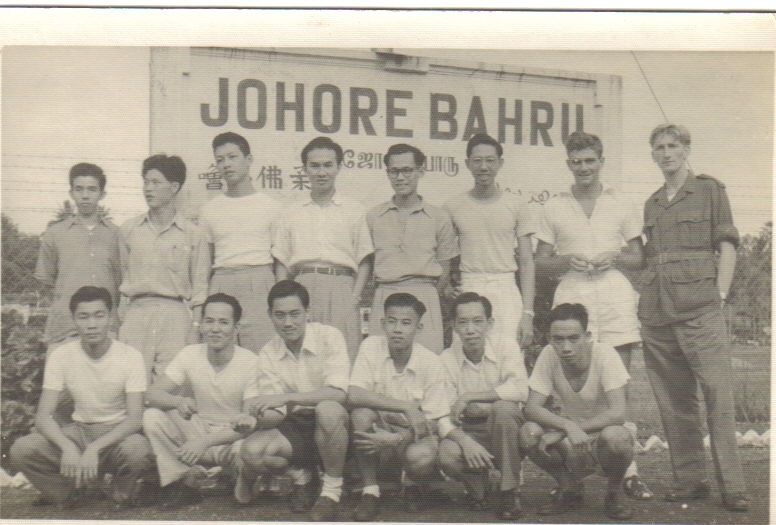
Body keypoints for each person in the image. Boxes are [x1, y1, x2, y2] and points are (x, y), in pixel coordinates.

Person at [534, 130, 652, 500]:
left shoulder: (621, 202)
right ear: (568, 163)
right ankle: (576, 471)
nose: (583, 167)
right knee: (572, 387)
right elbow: (540, 262)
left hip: (614, 297)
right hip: (573, 295)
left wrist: (613, 256)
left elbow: (638, 257)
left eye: (590, 161)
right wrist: (567, 260)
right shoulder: (554, 206)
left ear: (601, 162)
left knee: (617, 387)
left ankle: (628, 472)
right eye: (577, 161)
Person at [638, 123, 748, 512]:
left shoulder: (709, 190)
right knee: (674, 401)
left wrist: (721, 292)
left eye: (673, 146)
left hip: (700, 307)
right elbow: (650, 258)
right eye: (659, 147)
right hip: (658, 312)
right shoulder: (652, 203)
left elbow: (727, 244)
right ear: (653, 154)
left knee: (718, 396)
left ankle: (733, 486)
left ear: (686, 149)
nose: (666, 153)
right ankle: (690, 481)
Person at [10, 286, 153, 508]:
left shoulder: (130, 356)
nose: (91, 324)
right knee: (22, 449)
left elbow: (135, 419)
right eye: (83, 317)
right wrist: (67, 447)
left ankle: (120, 492)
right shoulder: (61, 355)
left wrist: (95, 448)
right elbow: (43, 417)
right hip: (78, 432)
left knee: (138, 450)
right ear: (74, 320)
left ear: (110, 317)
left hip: (116, 435)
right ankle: (71, 493)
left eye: (99, 315)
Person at [234, 280, 351, 521]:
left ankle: (331, 492)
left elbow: (338, 393)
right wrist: (254, 419)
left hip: (335, 424)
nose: (288, 323)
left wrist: (287, 397)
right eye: (280, 315)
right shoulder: (268, 352)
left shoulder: (329, 336)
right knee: (252, 451)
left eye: (295, 314)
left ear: (308, 312)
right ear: (270, 315)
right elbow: (277, 413)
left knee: (328, 409)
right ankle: (304, 476)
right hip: (296, 426)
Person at [142, 293, 260, 506]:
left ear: (236, 328)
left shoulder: (251, 362)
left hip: (231, 440)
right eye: (209, 321)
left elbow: (249, 423)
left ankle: (234, 477)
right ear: (201, 325)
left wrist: (204, 442)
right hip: (198, 433)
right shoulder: (189, 354)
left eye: (223, 322)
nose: (215, 329)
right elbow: (151, 395)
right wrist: (178, 402)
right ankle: (183, 481)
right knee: (152, 416)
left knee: (250, 449)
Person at [520, 303, 634, 521]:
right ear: (549, 339)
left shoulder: (605, 354)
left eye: (574, 338)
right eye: (558, 339)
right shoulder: (549, 354)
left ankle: (614, 493)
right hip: (571, 439)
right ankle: (569, 488)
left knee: (617, 436)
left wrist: (568, 429)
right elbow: (531, 408)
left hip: (604, 439)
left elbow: (618, 413)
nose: (566, 347)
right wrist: (568, 426)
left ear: (588, 336)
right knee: (529, 433)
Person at [348, 292, 454, 521]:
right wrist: (406, 407)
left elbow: (434, 420)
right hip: (380, 428)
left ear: (419, 327)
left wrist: (396, 439)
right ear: (382, 323)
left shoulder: (431, 362)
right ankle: (370, 490)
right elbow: (354, 394)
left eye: (406, 323)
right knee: (360, 414)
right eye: (392, 321)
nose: (397, 329)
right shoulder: (370, 347)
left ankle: (413, 484)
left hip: (412, 435)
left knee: (422, 456)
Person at [35, 162, 122, 424]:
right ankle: (58, 446)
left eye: (91, 189)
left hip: (106, 328)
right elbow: (46, 279)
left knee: (104, 396)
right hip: (65, 327)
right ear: (71, 192)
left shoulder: (117, 235)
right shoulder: (55, 234)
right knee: (58, 399)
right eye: (79, 189)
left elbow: (122, 279)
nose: (85, 195)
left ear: (102, 194)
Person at [274, 136, 373, 361]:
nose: (321, 172)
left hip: (342, 287)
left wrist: (354, 296)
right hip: (302, 285)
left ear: (338, 167)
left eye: (328, 165)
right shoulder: (291, 211)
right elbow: (281, 260)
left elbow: (364, 259)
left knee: (344, 354)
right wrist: (283, 293)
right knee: (303, 353)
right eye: (315, 166)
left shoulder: (354, 209)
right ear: (305, 169)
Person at [118, 154, 210, 383]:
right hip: (136, 313)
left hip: (175, 316)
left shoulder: (193, 234)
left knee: (171, 386)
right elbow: (122, 275)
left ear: (174, 187)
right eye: (146, 182)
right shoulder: (129, 230)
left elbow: (200, 286)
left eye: (156, 182)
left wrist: (195, 327)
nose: (148, 189)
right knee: (132, 383)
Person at [438, 292, 528, 520]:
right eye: (463, 322)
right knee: (447, 453)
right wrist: (466, 442)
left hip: (505, 430)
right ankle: (479, 486)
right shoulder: (446, 358)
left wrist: (469, 398)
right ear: (454, 326)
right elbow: (445, 411)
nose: (470, 330)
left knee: (504, 410)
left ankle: (509, 489)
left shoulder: (506, 346)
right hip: (470, 430)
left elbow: (520, 390)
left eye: (478, 321)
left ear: (490, 323)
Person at [444, 133, 535, 348]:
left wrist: (528, 313)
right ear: (467, 163)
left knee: (509, 354)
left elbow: (526, 261)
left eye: (490, 160)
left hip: (506, 288)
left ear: (500, 163)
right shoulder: (452, 207)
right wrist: (446, 286)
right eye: (477, 161)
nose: (483, 167)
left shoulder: (517, 205)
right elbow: (443, 254)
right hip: (470, 286)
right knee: (467, 356)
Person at [365, 143, 458, 353]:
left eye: (407, 170)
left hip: (425, 295)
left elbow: (445, 268)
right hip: (385, 294)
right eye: (394, 171)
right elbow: (368, 264)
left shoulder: (439, 217)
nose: (400, 177)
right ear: (387, 173)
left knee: (428, 360)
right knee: (380, 359)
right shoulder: (373, 217)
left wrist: (428, 296)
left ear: (420, 171)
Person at [199, 132, 284, 353]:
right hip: (221, 281)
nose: (226, 164)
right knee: (220, 354)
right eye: (220, 160)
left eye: (232, 157)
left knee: (263, 353)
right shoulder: (209, 209)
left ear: (248, 160)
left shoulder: (271, 206)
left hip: (260, 281)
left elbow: (280, 260)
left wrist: (279, 297)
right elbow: (205, 262)